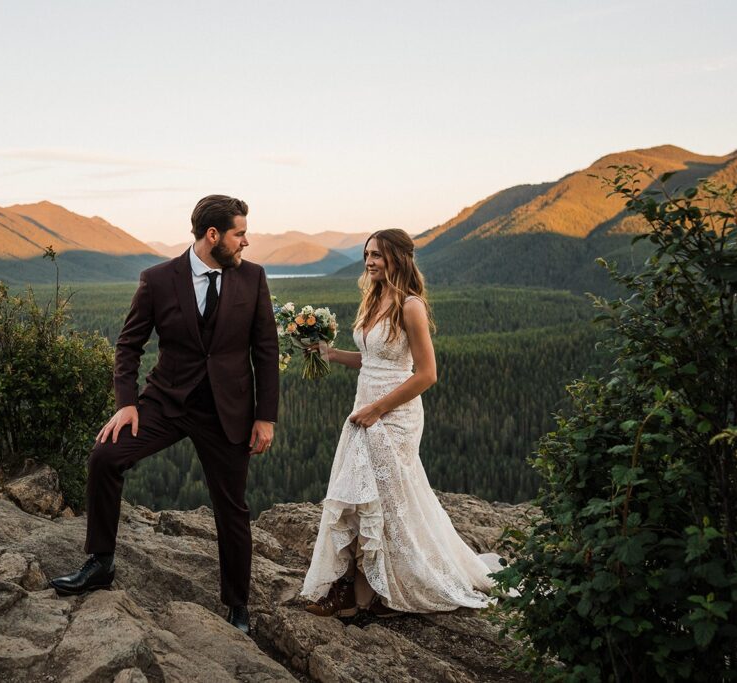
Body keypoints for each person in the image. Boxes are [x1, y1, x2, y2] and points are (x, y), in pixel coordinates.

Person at [49, 195, 279, 635]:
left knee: (232, 508)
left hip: (227, 411)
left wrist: (265, 416)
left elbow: (265, 351)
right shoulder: (157, 279)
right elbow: (128, 346)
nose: (246, 242)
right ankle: (100, 562)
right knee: (105, 456)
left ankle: (237, 606)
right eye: (240, 233)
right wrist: (127, 404)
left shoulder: (252, 278)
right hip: (166, 402)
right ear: (213, 236)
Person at [300, 229, 500, 618]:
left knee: (386, 502)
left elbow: (426, 374)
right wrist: (329, 353)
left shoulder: (410, 306)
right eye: (366, 255)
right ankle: (356, 587)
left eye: (377, 255)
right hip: (364, 410)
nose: (370, 262)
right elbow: (372, 360)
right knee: (359, 498)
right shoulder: (373, 299)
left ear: (399, 258)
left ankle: (373, 593)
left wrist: (378, 409)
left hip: (395, 416)